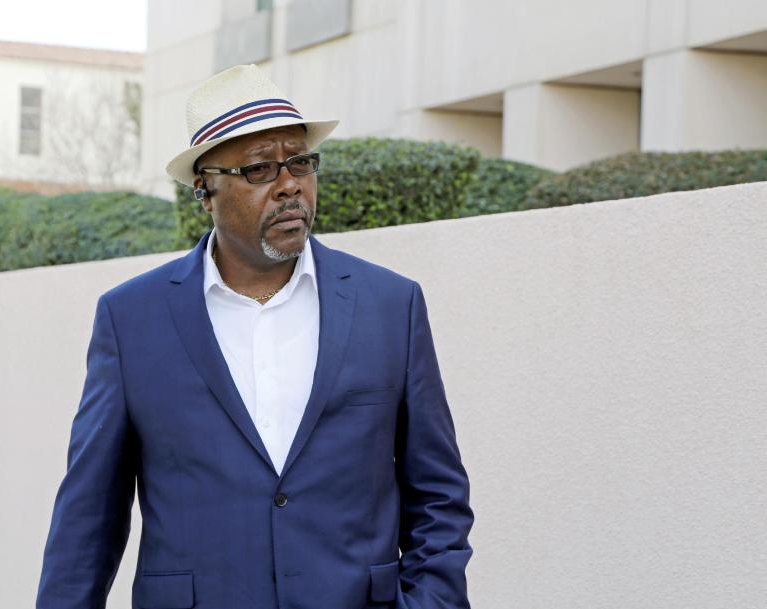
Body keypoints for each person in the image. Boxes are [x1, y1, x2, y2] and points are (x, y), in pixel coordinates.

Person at [36, 64, 474, 609]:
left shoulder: (390, 305)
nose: (289, 183)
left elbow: (439, 496)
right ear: (205, 189)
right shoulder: (131, 320)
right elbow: (88, 519)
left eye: (300, 161)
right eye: (260, 169)